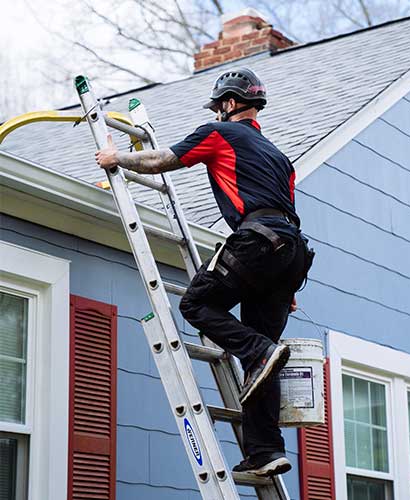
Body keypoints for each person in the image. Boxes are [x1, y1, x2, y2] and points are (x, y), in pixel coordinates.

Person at [95, 67, 314, 477]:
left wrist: (116, 159)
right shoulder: (281, 158)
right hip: (291, 254)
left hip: (256, 241)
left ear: (230, 103)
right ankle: (266, 450)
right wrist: (286, 283)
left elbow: (163, 159)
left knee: (197, 305)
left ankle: (259, 353)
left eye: (218, 106)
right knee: (263, 351)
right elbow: (289, 214)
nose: (215, 113)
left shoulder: (221, 133)